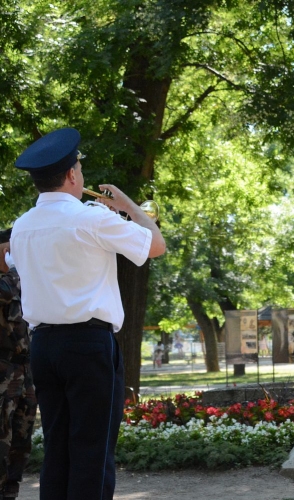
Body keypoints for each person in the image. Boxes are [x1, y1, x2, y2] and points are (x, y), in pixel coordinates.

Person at [10, 127, 166, 500]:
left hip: (44, 345)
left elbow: (15, 263)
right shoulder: (92, 218)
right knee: (92, 453)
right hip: (88, 344)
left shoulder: (21, 225)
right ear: (72, 174)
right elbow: (156, 245)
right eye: (79, 167)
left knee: (58, 449)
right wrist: (129, 207)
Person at [0, 229, 37, 500]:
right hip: (3, 374)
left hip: (25, 374)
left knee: (21, 445)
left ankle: (10, 493)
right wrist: (16, 270)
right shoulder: (11, 281)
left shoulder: (24, 280)